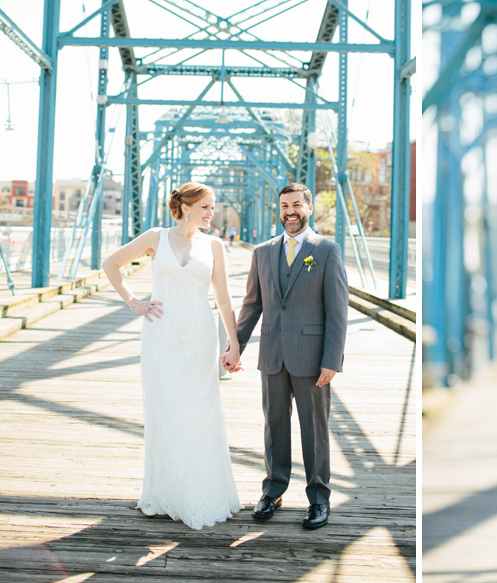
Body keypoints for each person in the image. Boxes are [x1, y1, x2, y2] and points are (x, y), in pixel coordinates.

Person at [103, 182, 242, 530]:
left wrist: (234, 344)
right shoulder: (156, 237)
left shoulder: (214, 245)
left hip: (199, 339)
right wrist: (135, 302)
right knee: (164, 411)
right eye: (207, 207)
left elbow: (224, 300)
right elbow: (111, 264)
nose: (212, 213)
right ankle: (165, 493)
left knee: (199, 414)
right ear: (188, 206)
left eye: (213, 207)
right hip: (160, 339)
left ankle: (200, 492)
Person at [222, 183, 348, 530]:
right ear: (278, 210)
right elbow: (252, 304)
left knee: (315, 429)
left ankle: (319, 498)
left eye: (296, 205)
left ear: (309, 208)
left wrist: (332, 359)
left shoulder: (326, 250)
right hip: (273, 353)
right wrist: (236, 347)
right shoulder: (262, 252)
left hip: (312, 358)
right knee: (274, 426)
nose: (289, 211)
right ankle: (273, 491)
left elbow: (337, 311)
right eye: (284, 206)